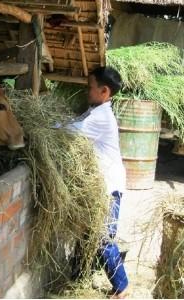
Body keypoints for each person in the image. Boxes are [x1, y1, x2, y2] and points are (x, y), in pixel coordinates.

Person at [64, 66, 129, 298]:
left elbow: (71, 131)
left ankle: (122, 287)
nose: (86, 91)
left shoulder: (102, 117)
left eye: (90, 87)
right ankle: (79, 276)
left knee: (102, 239)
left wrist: (44, 127)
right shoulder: (94, 110)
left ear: (104, 91)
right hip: (98, 185)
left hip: (108, 187)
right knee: (87, 234)